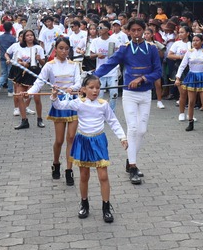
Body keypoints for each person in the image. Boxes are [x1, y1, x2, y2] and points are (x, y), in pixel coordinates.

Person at [94, 19, 163, 185]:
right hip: (129, 94)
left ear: (145, 31)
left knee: (142, 130)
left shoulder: (152, 49)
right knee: (132, 128)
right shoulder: (124, 48)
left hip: (145, 93)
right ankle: (133, 167)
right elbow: (109, 64)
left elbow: (158, 71)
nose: (137, 33)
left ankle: (130, 158)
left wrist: (143, 78)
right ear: (129, 32)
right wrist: (93, 77)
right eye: (134, 30)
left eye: (140, 30)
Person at [50, 75, 128, 223]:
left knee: (103, 176)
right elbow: (60, 106)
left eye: (97, 87)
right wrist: (54, 97)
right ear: (83, 89)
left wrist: (122, 137)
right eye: (91, 88)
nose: (95, 90)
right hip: (83, 141)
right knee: (84, 175)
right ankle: (84, 203)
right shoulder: (78, 103)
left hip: (98, 141)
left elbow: (113, 121)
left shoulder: (103, 104)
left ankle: (106, 207)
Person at [25, 37, 81, 185]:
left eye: (66, 48)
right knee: (59, 140)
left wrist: (73, 88)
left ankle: (69, 170)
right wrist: (30, 93)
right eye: (61, 48)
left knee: (71, 138)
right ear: (55, 48)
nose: (64, 51)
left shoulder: (74, 65)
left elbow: (79, 82)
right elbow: (39, 82)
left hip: (73, 103)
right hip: (58, 103)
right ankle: (56, 163)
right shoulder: (49, 66)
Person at [175, 33, 203, 132]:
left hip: (202, 76)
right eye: (193, 41)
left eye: (197, 40)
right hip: (192, 76)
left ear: (201, 42)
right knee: (191, 102)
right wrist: (177, 78)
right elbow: (182, 65)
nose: (195, 42)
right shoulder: (189, 52)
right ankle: (190, 122)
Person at [9, 29, 46, 129]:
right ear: (24, 38)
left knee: (37, 98)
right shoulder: (20, 48)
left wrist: (39, 59)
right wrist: (22, 63)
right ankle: (24, 120)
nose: (30, 37)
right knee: (20, 96)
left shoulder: (39, 48)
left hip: (35, 72)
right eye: (27, 35)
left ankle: (39, 119)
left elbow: (43, 64)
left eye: (31, 35)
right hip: (23, 73)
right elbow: (18, 60)